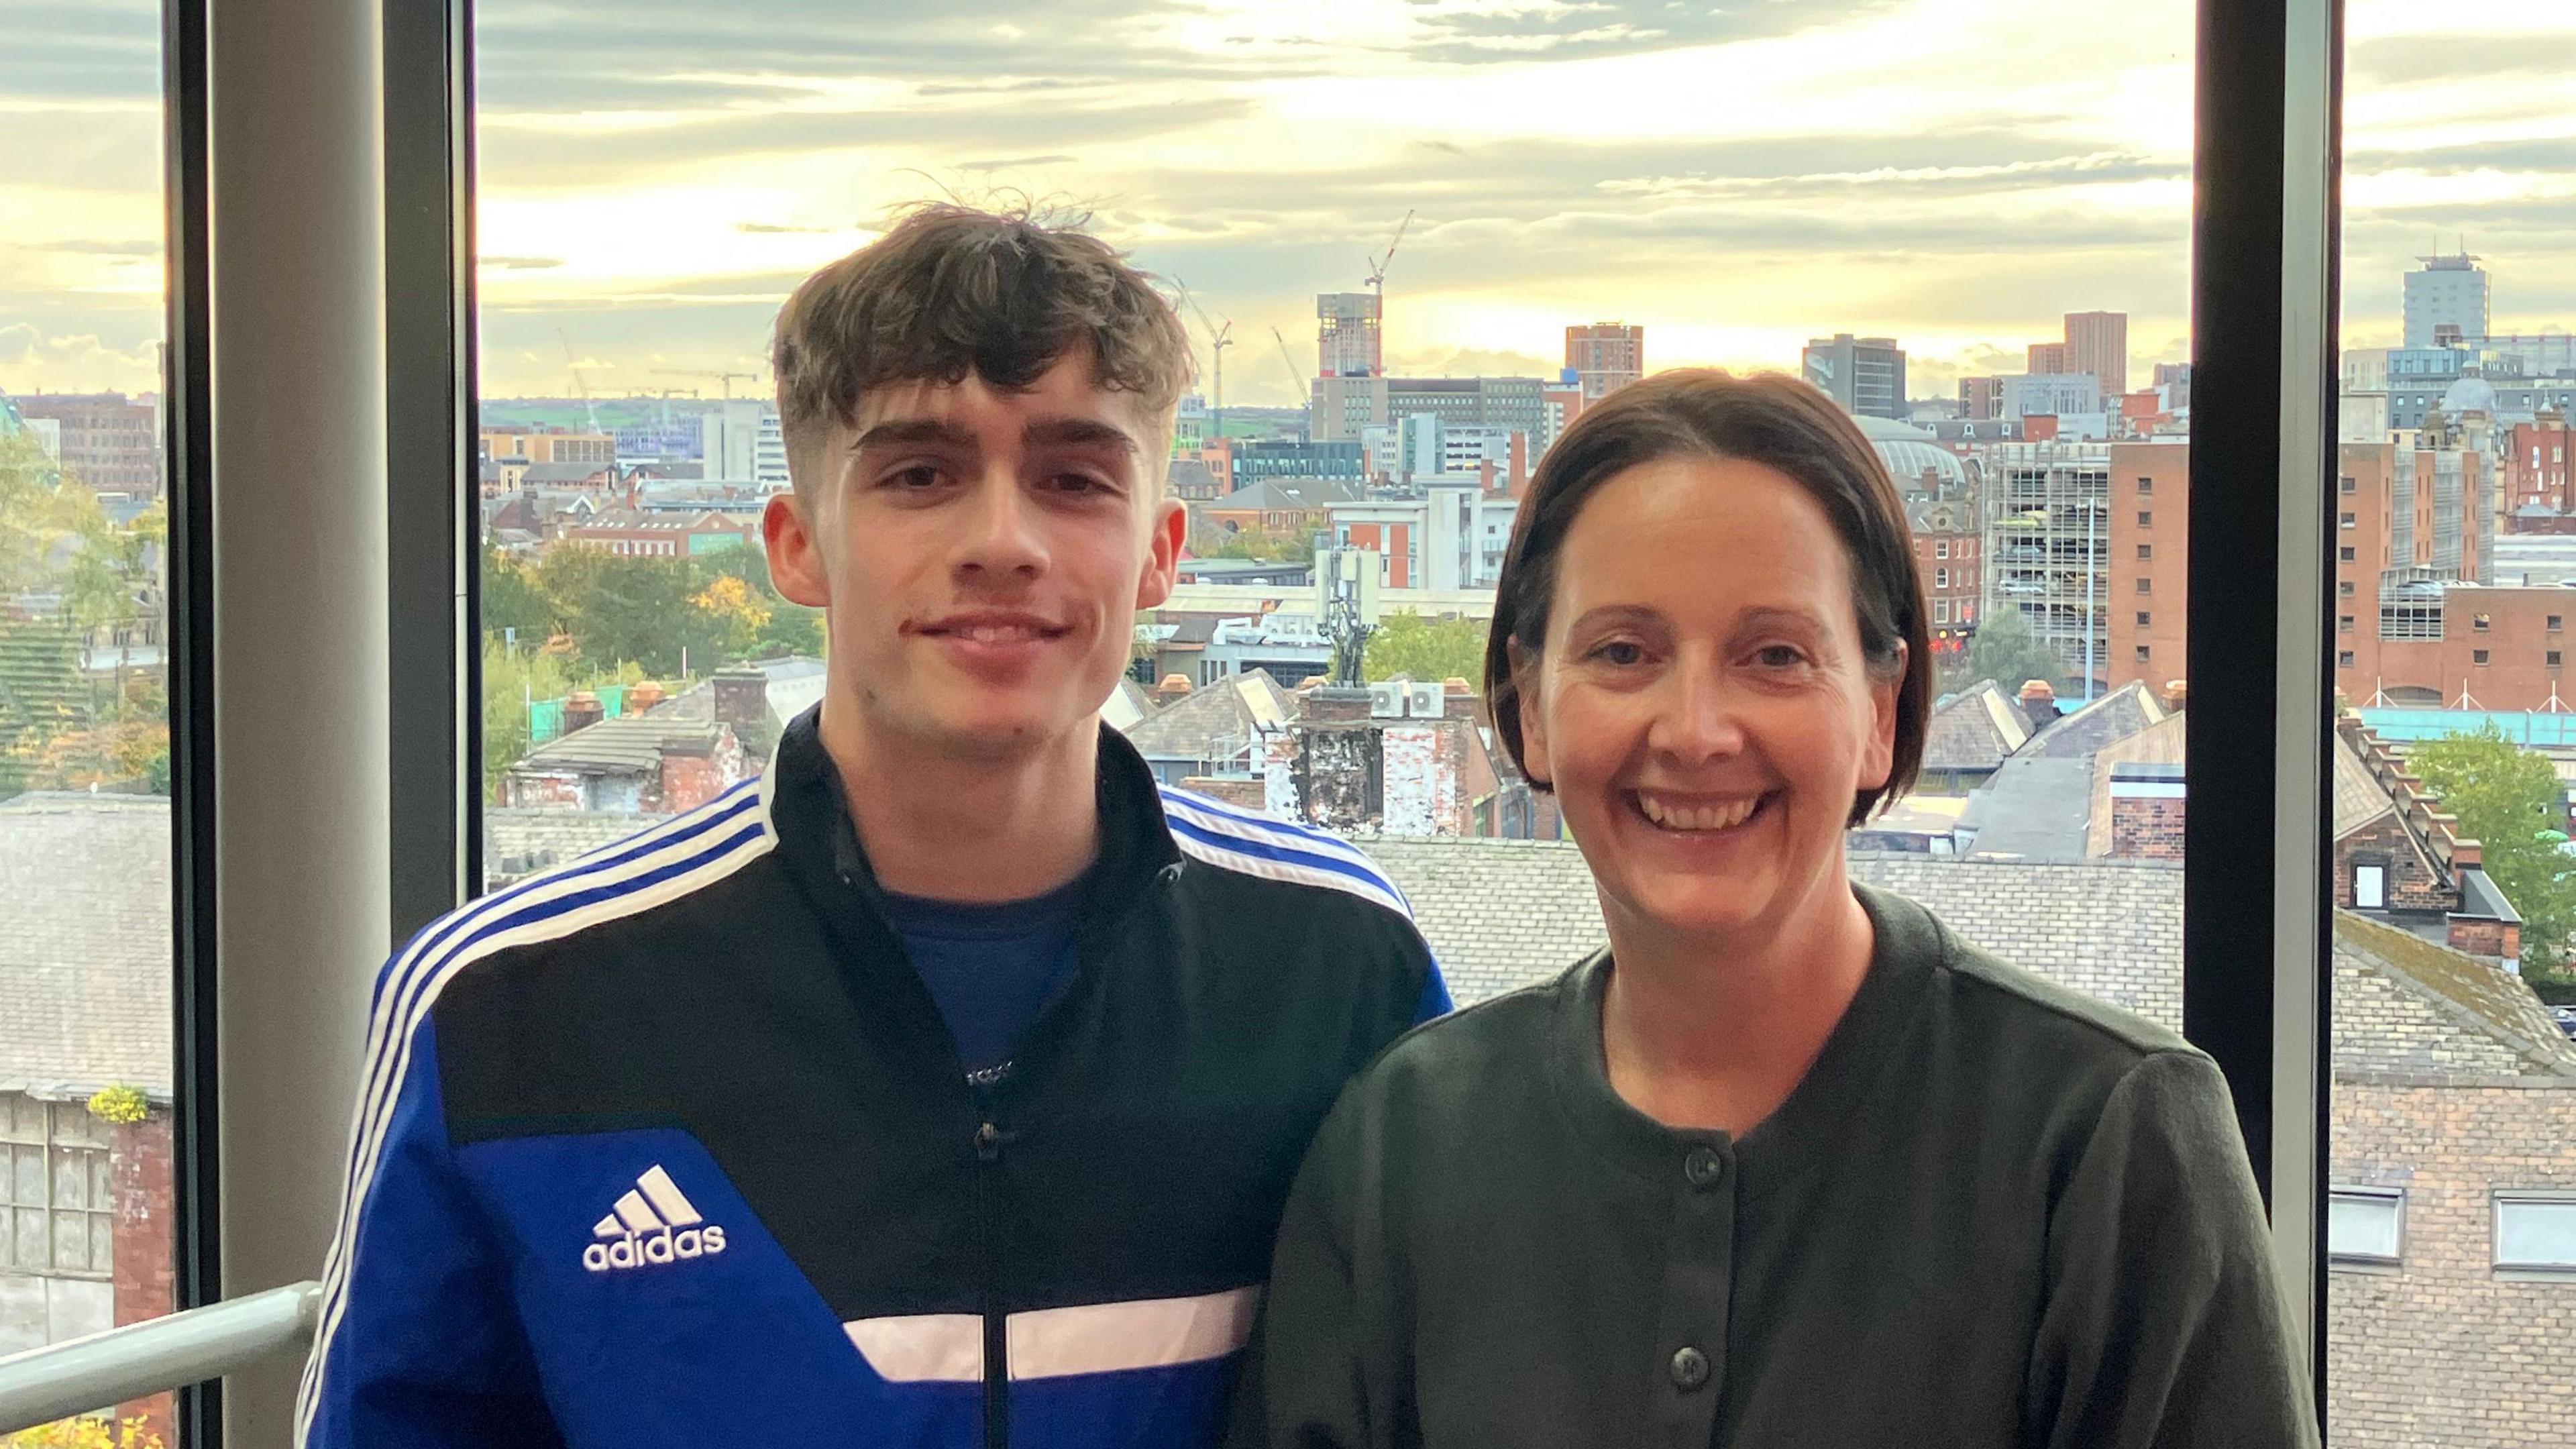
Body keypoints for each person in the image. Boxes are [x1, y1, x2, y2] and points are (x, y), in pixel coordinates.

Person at [297, 205, 1447, 1448]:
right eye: (919, 476)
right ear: (798, 547)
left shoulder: (1339, 973)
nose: (1002, 542)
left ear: (1160, 551)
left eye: (1074, 479)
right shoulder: (512, 1008)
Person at [1237, 371, 2318, 1448]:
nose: (1697, 731)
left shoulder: (2105, 1149)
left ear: (1882, 711)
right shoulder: (1399, 1150)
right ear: (1526, 706)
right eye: (1624, 653)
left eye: (1776, 656)